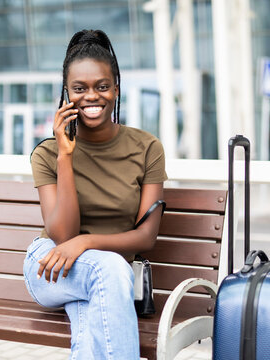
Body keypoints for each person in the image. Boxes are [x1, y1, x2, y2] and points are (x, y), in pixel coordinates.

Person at [23, 29, 167, 360]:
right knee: (111, 270)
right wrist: (66, 157)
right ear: (67, 93)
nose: (92, 96)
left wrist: (87, 243)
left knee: (91, 332)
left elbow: (146, 237)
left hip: (106, 278)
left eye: (102, 86)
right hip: (51, 266)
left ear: (116, 88)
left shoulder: (147, 148)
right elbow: (63, 235)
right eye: (79, 88)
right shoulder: (47, 154)